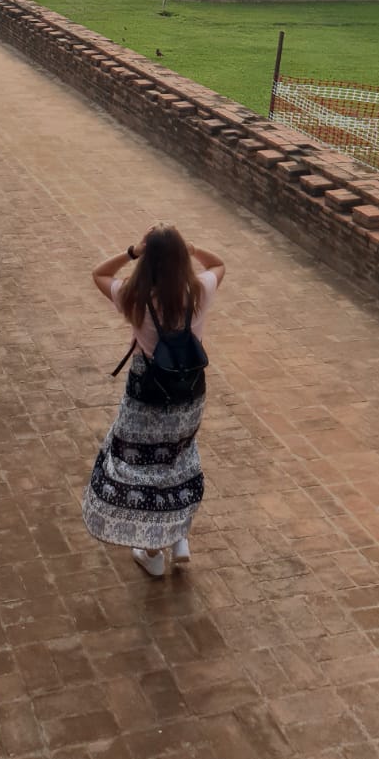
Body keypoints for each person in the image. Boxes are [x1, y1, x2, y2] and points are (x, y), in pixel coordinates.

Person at [83, 224, 225, 578]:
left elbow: (99, 273)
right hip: (188, 397)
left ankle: (152, 551)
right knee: (178, 460)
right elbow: (219, 265)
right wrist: (191, 248)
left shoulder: (135, 298)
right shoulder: (198, 293)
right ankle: (179, 537)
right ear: (179, 260)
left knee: (145, 470)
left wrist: (134, 251)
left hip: (147, 397)